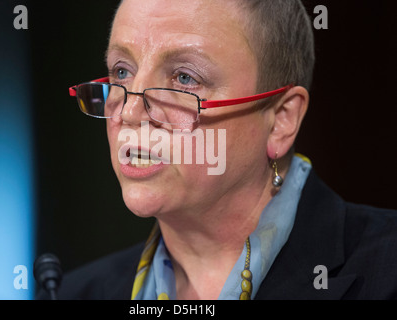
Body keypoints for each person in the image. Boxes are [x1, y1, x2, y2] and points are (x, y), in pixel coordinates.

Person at [44, 0, 397, 300]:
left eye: (184, 77)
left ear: (281, 120)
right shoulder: (73, 292)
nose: (130, 112)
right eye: (121, 71)